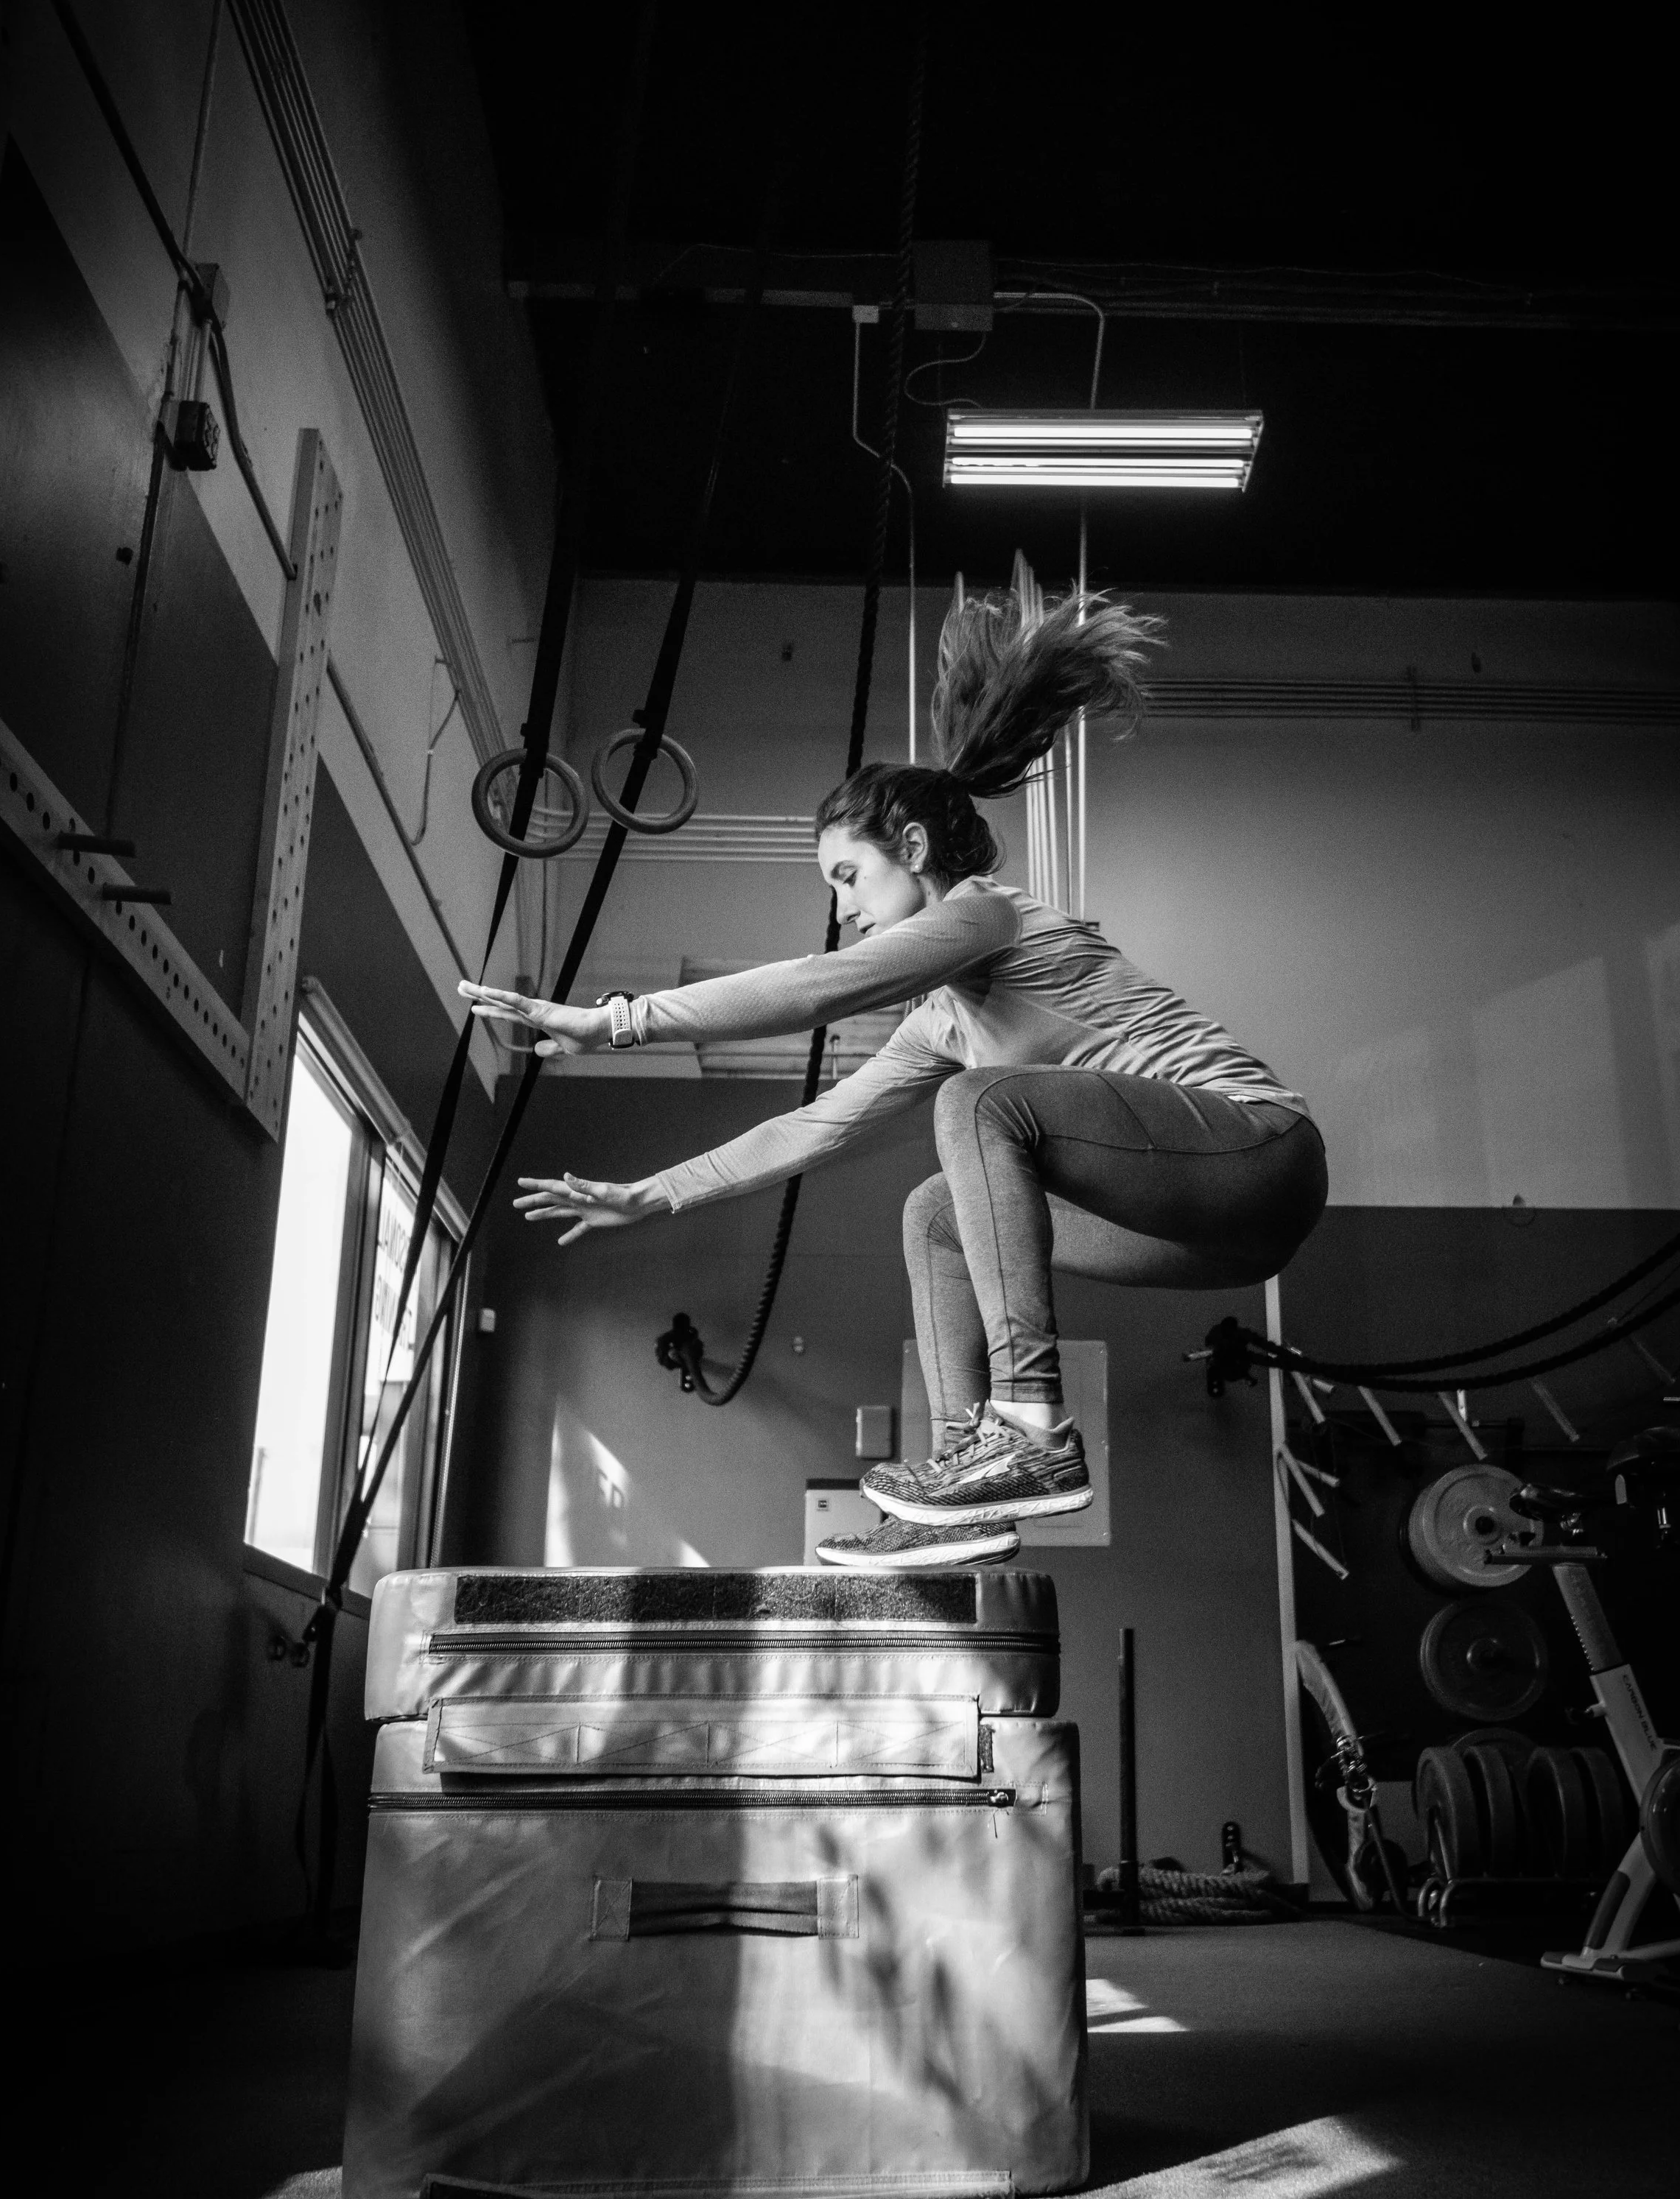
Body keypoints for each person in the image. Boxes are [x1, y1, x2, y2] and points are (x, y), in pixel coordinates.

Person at [476, 579, 1326, 1569]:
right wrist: (650, 1194)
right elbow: (814, 1127)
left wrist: (617, 1022)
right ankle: (967, 1486)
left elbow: (817, 986)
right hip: (1204, 1234)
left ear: (913, 850)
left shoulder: (985, 913)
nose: (842, 907)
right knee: (933, 1209)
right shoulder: (940, 1025)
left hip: (1257, 1153)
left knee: (981, 1107)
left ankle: (1031, 1435)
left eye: (848, 876)